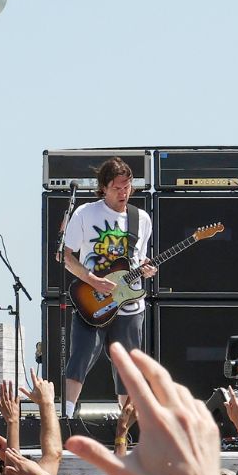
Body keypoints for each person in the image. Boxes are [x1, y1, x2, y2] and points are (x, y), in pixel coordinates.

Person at [58, 158, 157, 417]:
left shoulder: (141, 218)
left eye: (128, 187)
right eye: (117, 188)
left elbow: (139, 259)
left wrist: (148, 268)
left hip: (130, 304)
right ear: (103, 187)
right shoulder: (85, 213)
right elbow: (65, 257)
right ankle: (67, 416)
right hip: (92, 298)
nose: (124, 193)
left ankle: (125, 424)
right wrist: (91, 279)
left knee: (127, 367)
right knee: (80, 357)